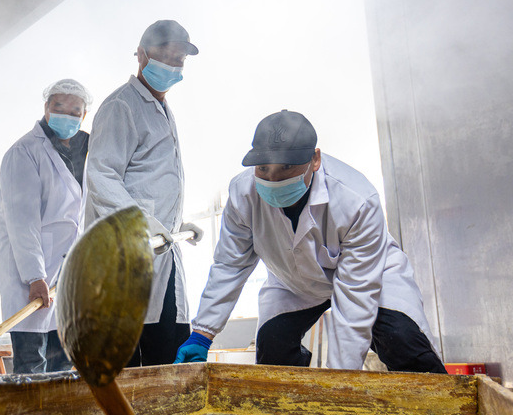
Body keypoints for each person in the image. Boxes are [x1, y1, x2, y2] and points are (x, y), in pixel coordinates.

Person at [175, 110, 447, 374]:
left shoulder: (356, 200)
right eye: (263, 168)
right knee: (273, 352)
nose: (273, 179)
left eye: (286, 168)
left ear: (315, 159)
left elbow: (355, 297)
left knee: (403, 341)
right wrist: (202, 334)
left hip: (372, 276)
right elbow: (230, 266)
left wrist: (339, 379)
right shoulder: (242, 195)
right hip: (292, 283)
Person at [84, 20, 203, 367]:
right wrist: (144, 222)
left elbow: (149, 180)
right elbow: (102, 176)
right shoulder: (121, 106)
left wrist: (177, 222)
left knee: (168, 355)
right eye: (166, 57)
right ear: (141, 54)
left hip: (160, 251)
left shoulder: (161, 108)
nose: (173, 66)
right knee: (129, 366)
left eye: (179, 60)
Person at [0, 79, 92, 373]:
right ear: (46, 107)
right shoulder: (24, 152)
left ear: (84, 115)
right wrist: (35, 276)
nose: (67, 115)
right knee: (32, 367)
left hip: (63, 277)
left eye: (75, 111)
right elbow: (22, 222)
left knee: (61, 366)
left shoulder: (85, 152)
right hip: (28, 278)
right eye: (59, 106)